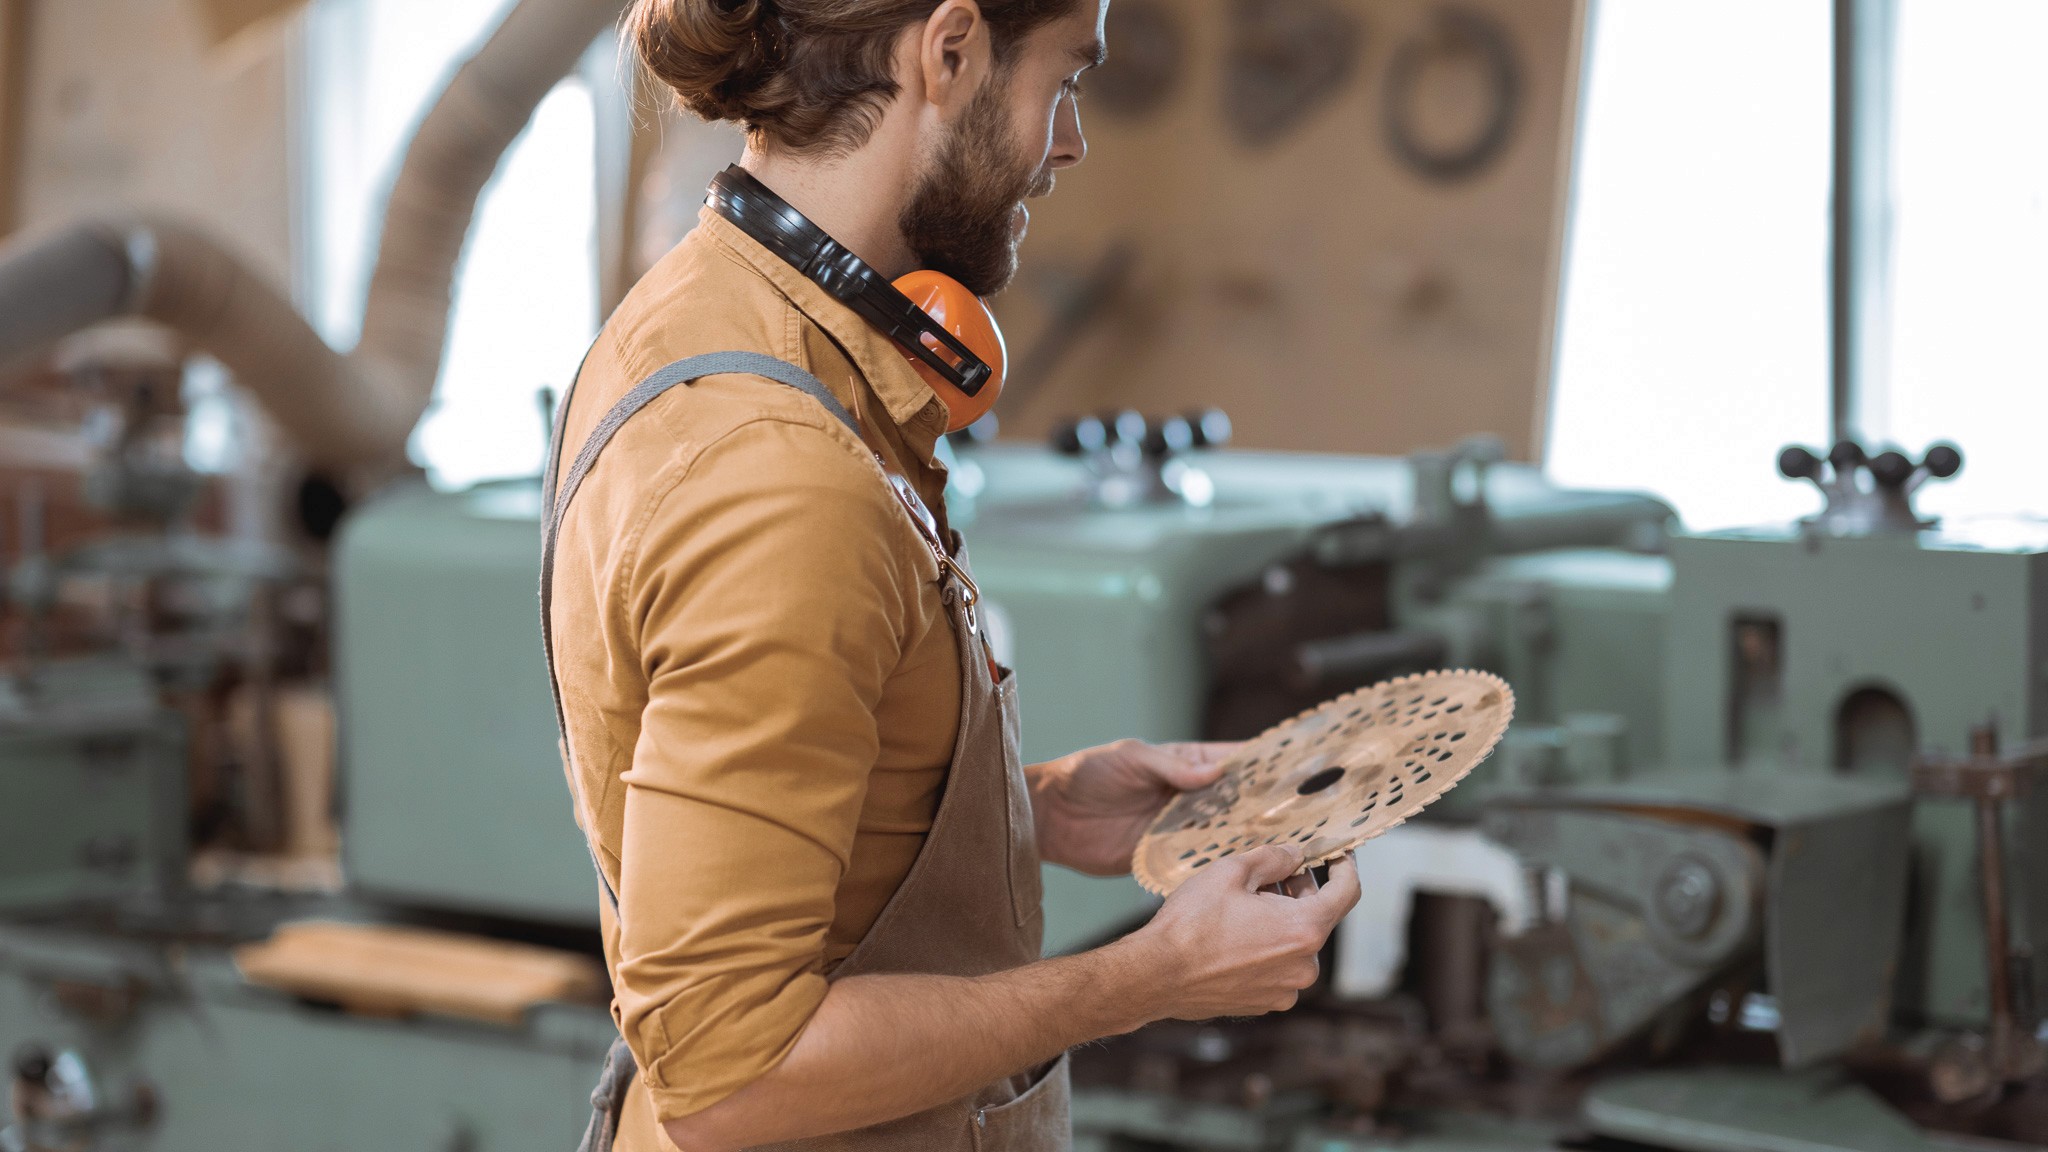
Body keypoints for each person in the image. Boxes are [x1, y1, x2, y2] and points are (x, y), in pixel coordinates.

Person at [543, 1, 1361, 1149]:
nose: (1067, 142)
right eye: (1064, 81)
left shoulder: (695, 321)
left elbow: (796, 822)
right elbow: (735, 1077)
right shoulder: (785, 475)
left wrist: (1019, 814)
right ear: (949, 49)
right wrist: (1150, 975)